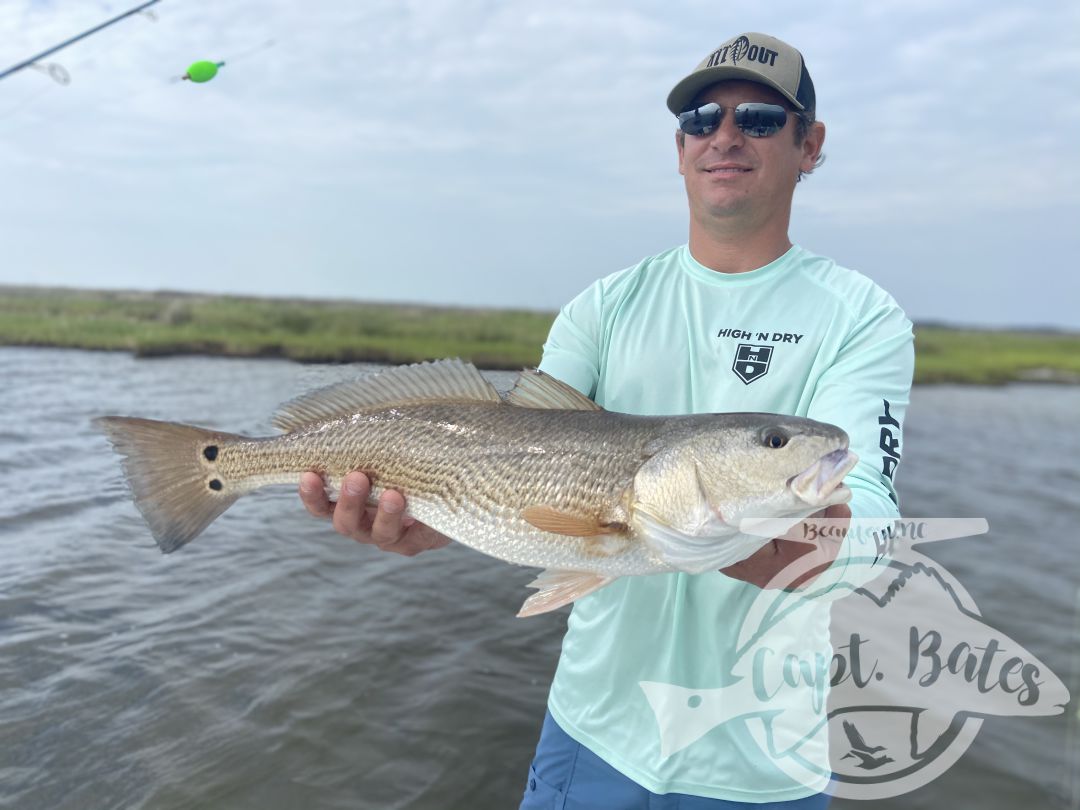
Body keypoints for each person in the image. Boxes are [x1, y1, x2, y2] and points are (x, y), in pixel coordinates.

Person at [299, 31, 914, 809]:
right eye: (700, 117)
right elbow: (516, 456)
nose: (723, 135)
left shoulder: (863, 317)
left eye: (758, 118)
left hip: (762, 764)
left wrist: (724, 536)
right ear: (681, 145)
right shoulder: (603, 305)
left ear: (810, 144)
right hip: (591, 733)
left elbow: (875, 531)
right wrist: (436, 515)